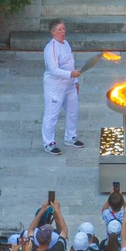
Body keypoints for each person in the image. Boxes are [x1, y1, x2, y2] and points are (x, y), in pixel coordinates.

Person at [43, 19, 83, 156]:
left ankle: (70, 137)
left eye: (64, 29)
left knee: (73, 111)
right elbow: (53, 69)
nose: (62, 32)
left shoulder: (66, 44)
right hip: (55, 87)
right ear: (53, 32)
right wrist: (71, 74)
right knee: (52, 115)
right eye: (59, 29)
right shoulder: (51, 48)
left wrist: (75, 80)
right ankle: (49, 143)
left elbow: (71, 62)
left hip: (69, 85)